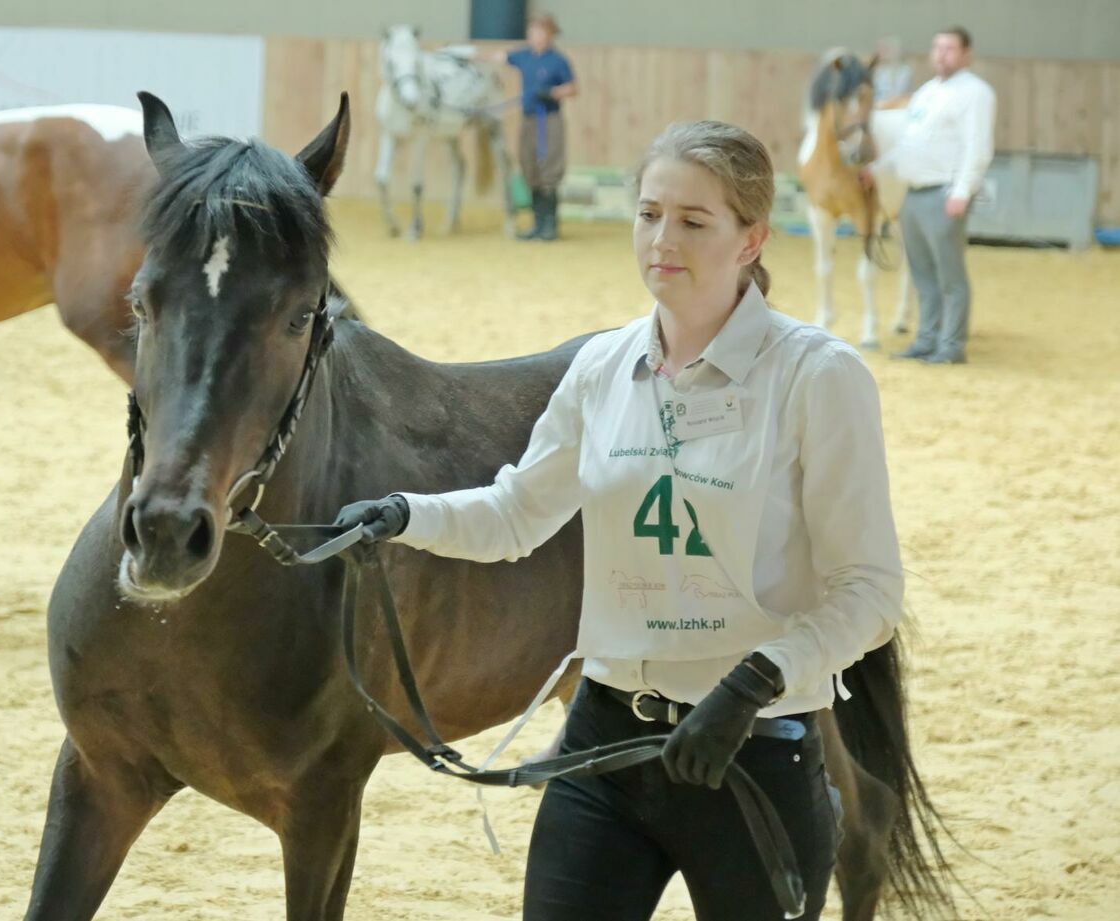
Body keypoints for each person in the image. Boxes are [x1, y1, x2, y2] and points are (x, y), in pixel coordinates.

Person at [335, 120, 903, 920]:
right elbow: (515, 513)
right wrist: (400, 515)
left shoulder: (818, 377)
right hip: (603, 746)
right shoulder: (601, 367)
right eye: (648, 214)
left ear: (752, 240)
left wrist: (751, 683)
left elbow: (869, 591)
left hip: (753, 754)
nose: (661, 239)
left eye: (694, 221)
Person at [892, 26, 996, 364]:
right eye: (937, 47)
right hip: (914, 192)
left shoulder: (975, 93)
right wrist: (876, 168)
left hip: (943, 192)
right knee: (922, 274)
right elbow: (908, 142)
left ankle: (951, 346)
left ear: (966, 54)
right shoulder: (925, 92)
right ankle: (926, 339)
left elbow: (977, 147)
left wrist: (962, 191)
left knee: (949, 275)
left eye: (949, 48)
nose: (941, 54)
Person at [490, 13, 577, 241]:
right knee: (529, 166)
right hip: (528, 119)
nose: (534, 37)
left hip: (548, 119)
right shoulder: (523, 56)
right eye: (531, 33)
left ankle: (550, 225)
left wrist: (551, 93)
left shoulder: (557, 61)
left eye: (538, 32)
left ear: (549, 35)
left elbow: (572, 88)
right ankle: (537, 224)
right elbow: (499, 56)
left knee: (549, 167)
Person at [871, 36, 913, 104]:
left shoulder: (905, 71)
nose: (879, 53)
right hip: (879, 106)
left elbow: (902, 94)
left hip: (897, 106)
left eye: (883, 49)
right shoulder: (878, 70)